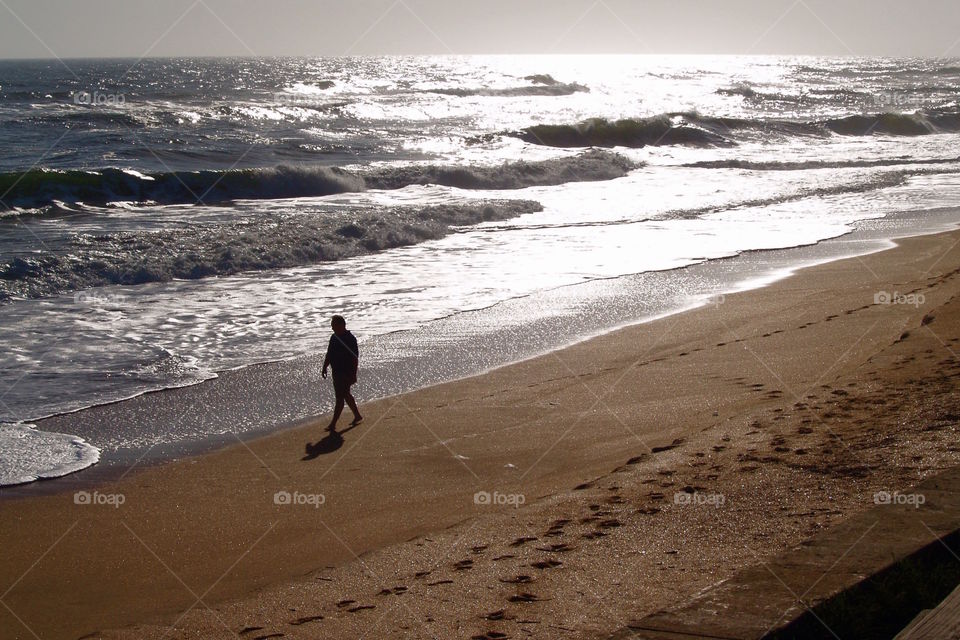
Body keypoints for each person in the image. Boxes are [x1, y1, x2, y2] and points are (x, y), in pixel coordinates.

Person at [322, 315, 363, 430]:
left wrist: (353, 374)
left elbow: (355, 358)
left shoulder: (350, 339)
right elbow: (329, 354)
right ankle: (357, 415)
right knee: (345, 394)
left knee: (340, 397)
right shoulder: (334, 337)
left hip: (346, 372)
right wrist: (324, 366)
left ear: (341, 325)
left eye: (333, 326)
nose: (332, 328)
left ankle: (333, 424)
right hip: (336, 371)